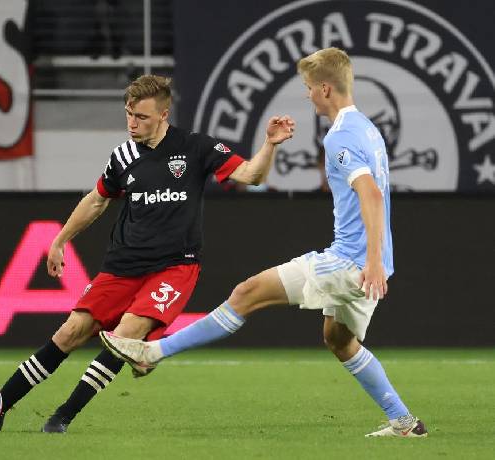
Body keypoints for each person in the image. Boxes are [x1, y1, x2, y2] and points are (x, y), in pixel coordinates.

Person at [100, 49, 428, 438]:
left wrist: (370, 262)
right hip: (370, 262)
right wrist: (377, 261)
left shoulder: (340, 135)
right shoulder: (367, 128)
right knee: (339, 339)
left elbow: (370, 195)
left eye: (308, 88)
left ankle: (151, 352)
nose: (307, 96)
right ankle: (405, 422)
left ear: (325, 88)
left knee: (246, 293)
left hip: (350, 262)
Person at [0, 74, 294, 433]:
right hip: (123, 265)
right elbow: (96, 200)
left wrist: (269, 144)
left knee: (124, 337)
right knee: (70, 333)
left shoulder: (195, 147)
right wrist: (60, 240)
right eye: (128, 114)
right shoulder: (123, 156)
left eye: (141, 117)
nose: (132, 123)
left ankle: (62, 416)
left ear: (163, 114)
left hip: (174, 267)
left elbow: (252, 175)